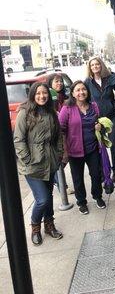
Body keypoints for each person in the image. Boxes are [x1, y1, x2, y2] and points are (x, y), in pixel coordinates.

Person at [14, 82, 63, 245]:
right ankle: (35, 227)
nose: (42, 96)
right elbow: (18, 139)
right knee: (42, 199)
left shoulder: (52, 112)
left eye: (45, 93)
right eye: (38, 93)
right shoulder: (25, 112)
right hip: (32, 165)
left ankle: (49, 225)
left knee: (48, 197)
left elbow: (58, 137)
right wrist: (27, 159)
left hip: (50, 162)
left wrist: (59, 154)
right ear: (33, 95)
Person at [59, 80, 106, 215]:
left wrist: (100, 127)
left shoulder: (94, 106)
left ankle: (98, 196)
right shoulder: (67, 108)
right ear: (73, 93)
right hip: (74, 151)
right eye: (78, 90)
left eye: (83, 89)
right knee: (78, 178)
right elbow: (61, 129)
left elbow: (101, 123)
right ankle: (82, 202)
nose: (81, 92)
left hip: (93, 148)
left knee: (96, 175)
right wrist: (64, 151)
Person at [85, 57, 115, 182]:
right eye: (92, 65)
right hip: (97, 120)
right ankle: (104, 171)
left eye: (97, 64)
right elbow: (84, 100)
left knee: (114, 145)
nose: (95, 66)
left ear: (101, 65)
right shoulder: (87, 82)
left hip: (112, 117)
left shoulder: (110, 79)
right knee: (100, 147)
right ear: (90, 68)